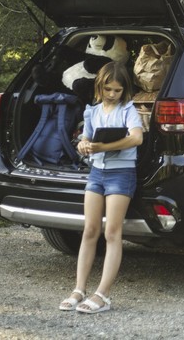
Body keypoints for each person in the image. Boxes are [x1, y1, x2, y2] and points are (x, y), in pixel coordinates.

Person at [58, 61, 144, 314]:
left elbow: (137, 138)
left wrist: (103, 147)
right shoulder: (92, 112)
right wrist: (84, 145)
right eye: (108, 89)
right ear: (99, 86)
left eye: (117, 90)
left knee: (112, 233)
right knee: (90, 230)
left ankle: (103, 295)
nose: (112, 94)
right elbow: (85, 139)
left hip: (121, 174)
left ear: (124, 90)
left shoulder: (129, 109)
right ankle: (79, 289)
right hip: (96, 173)